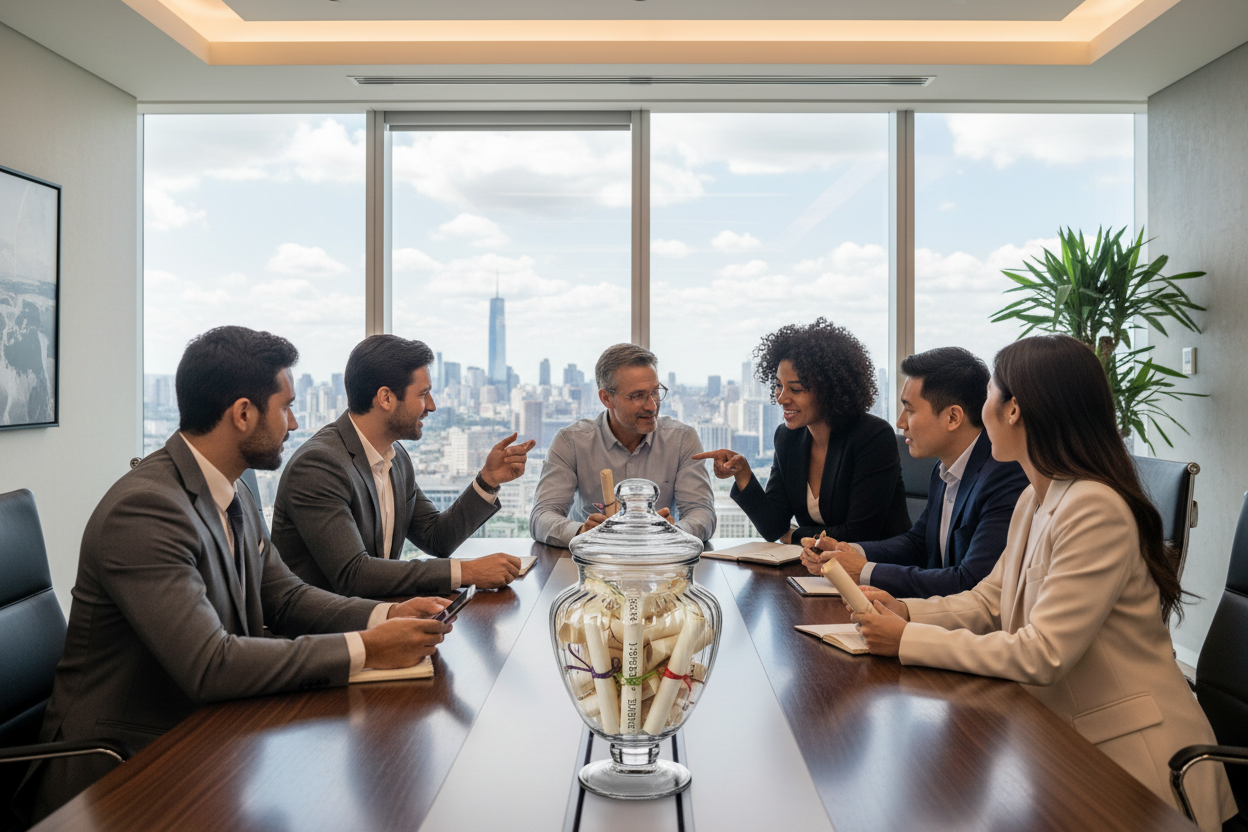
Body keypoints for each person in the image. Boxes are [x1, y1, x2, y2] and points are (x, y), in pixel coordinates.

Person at [24, 327, 453, 822]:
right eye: (286, 406)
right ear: (244, 413)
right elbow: (210, 663)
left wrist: (385, 614)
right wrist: (368, 648)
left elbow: (286, 598)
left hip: (209, 739)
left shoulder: (235, 491)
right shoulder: (145, 510)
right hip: (120, 772)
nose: (295, 423)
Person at [848, 334, 1235, 830]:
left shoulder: (1093, 507)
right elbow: (991, 601)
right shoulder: (1037, 498)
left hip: (1134, 769)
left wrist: (909, 640)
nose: (979, 407)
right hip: (1061, 743)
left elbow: (1042, 652)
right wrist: (907, 612)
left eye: (988, 392)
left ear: (1013, 410)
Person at [272, 335, 532, 596]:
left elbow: (435, 538)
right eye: (423, 394)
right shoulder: (319, 466)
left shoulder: (396, 458)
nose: (431, 406)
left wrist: (488, 480)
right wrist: (464, 572)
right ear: (386, 398)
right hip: (326, 632)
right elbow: (354, 574)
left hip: (382, 618)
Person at [800, 347, 1028, 597]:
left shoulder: (1003, 476)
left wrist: (864, 571)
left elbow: (971, 581)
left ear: (953, 417)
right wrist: (848, 552)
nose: (900, 423)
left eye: (909, 410)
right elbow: (918, 543)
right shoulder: (944, 468)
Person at [696, 318, 909, 544]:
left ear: (830, 390)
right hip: (816, 569)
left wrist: (795, 535)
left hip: (879, 571)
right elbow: (773, 527)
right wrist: (743, 473)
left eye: (795, 389)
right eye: (778, 385)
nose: (781, 398)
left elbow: (860, 535)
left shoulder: (872, 437)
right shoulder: (788, 438)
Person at [530, 343, 716, 547]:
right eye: (638, 396)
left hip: (660, 561)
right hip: (593, 562)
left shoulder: (682, 439)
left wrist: (674, 533)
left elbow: (702, 513)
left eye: (655, 391)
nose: (652, 405)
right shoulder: (571, 442)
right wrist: (581, 532)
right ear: (606, 398)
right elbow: (541, 516)